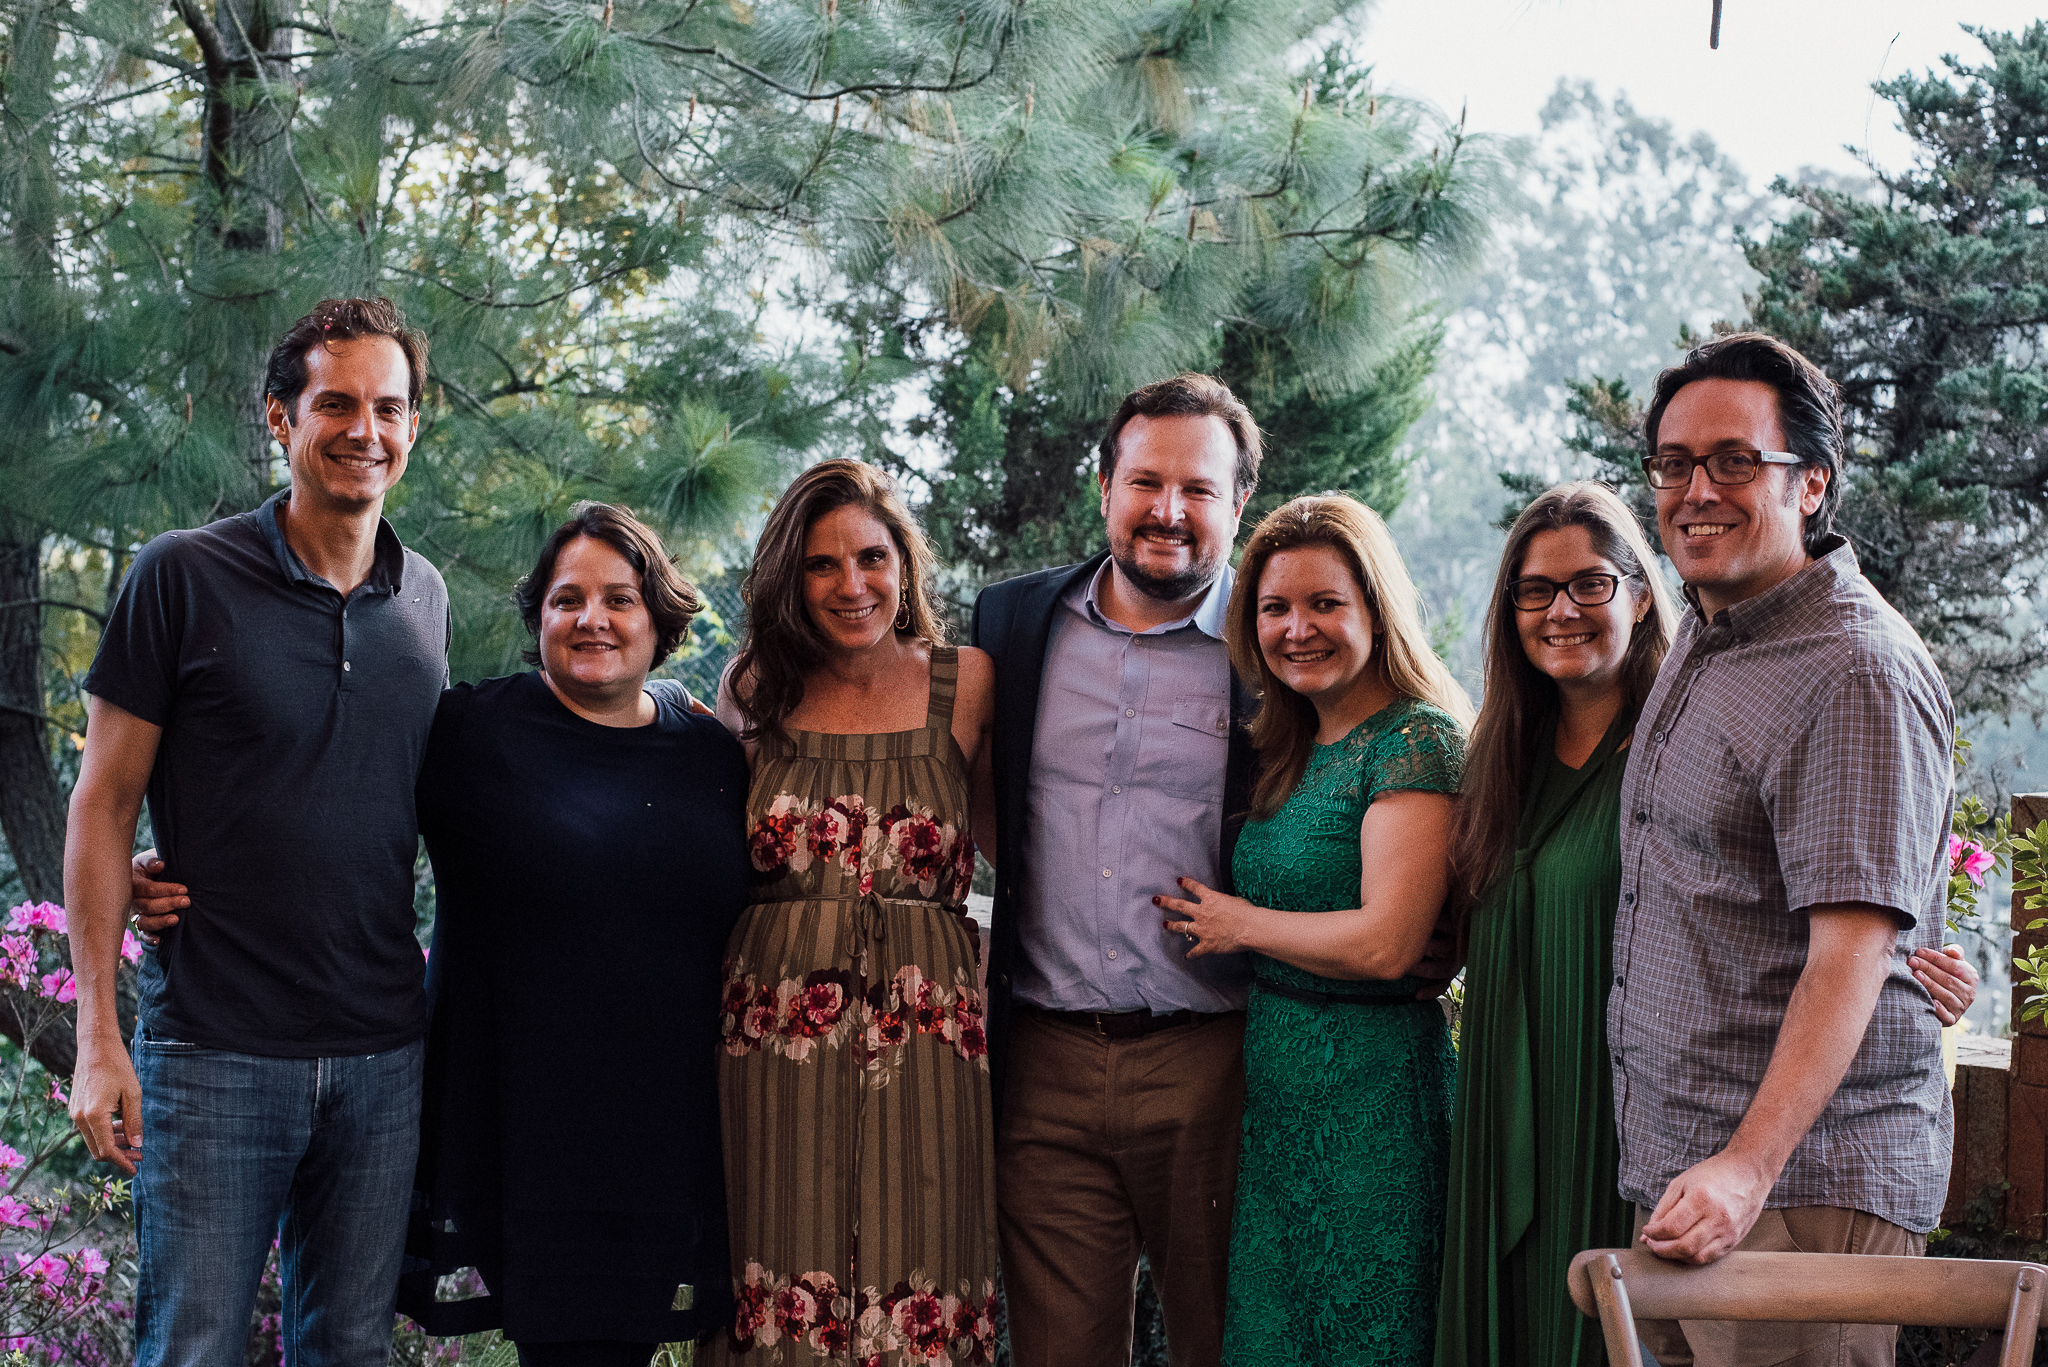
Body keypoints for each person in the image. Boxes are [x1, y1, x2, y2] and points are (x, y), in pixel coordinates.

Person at [62, 298, 448, 1367]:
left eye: (387, 406)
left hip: (381, 1046)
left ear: (414, 426)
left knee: (352, 1349)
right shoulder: (181, 575)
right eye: (334, 403)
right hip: (214, 1048)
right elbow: (102, 801)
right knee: (191, 1346)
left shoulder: (425, 597)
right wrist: (99, 1034)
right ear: (281, 419)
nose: (362, 428)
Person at [1610, 332, 1958, 1367]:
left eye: (1731, 461)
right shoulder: (1708, 630)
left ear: (1809, 484)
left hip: (1794, 1192)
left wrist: (1743, 1169)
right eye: (1673, 463)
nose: (1693, 489)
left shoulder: (1853, 670)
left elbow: (1848, 952)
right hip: (1690, 1179)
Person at [393, 503, 749, 1367]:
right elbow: (334, 799)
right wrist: (180, 857)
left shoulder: (709, 754)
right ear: (538, 617)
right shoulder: (472, 731)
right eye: (567, 599)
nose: (592, 618)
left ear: (659, 619)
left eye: (619, 599)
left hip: (663, 1131)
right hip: (523, 1126)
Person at [971, 373, 1259, 1367]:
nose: (1167, 511)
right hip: (1042, 1057)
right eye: (1144, 481)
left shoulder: (1276, 645)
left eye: (1197, 488)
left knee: (1221, 1341)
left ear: (1237, 504)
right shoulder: (1010, 625)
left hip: (1213, 1063)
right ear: (1103, 486)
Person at [1158, 493, 1471, 1367]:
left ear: (1375, 606)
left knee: (1367, 1329)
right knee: (1274, 1337)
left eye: (1325, 603)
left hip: (1370, 1094)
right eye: (1275, 608)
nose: (1298, 628)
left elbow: (1389, 943)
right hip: (1278, 1091)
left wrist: (1238, 923)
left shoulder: (1415, 741)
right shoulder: (1291, 745)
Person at [705, 459, 998, 1367]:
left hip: (932, 1035)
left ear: (904, 563)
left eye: (871, 557)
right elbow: (706, 864)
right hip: (772, 1039)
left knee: (928, 1264)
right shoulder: (753, 687)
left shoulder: (968, 681)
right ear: (790, 579)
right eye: (822, 565)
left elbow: (1015, 854)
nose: (852, 584)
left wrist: (984, 960)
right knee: (775, 1272)